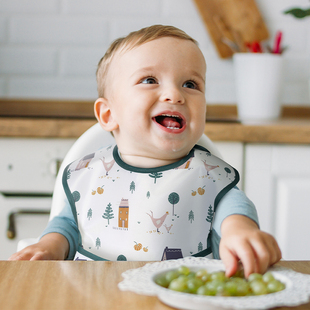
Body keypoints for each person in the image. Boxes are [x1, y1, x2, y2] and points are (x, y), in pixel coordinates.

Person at [9, 25, 281, 278]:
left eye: (190, 84)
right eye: (149, 79)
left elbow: (233, 208)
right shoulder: (87, 174)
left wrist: (239, 230)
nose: (175, 95)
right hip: (95, 293)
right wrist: (49, 246)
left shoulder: (208, 175)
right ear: (108, 113)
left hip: (179, 295)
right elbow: (67, 226)